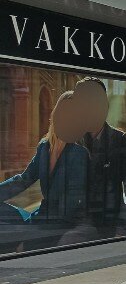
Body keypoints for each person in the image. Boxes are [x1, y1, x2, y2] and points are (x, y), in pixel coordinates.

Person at [0, 91, 90, 250]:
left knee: (9, 241)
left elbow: (68, 209)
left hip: (59, 224)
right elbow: (24, 180)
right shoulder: (44, 147)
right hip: (40, 218)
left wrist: (29, 236)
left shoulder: (79, 154)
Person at [73, 77, 126, 238]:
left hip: (111, 228)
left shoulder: (119, 140)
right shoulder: (74, 140)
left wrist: (123, 229)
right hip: (79, 229)